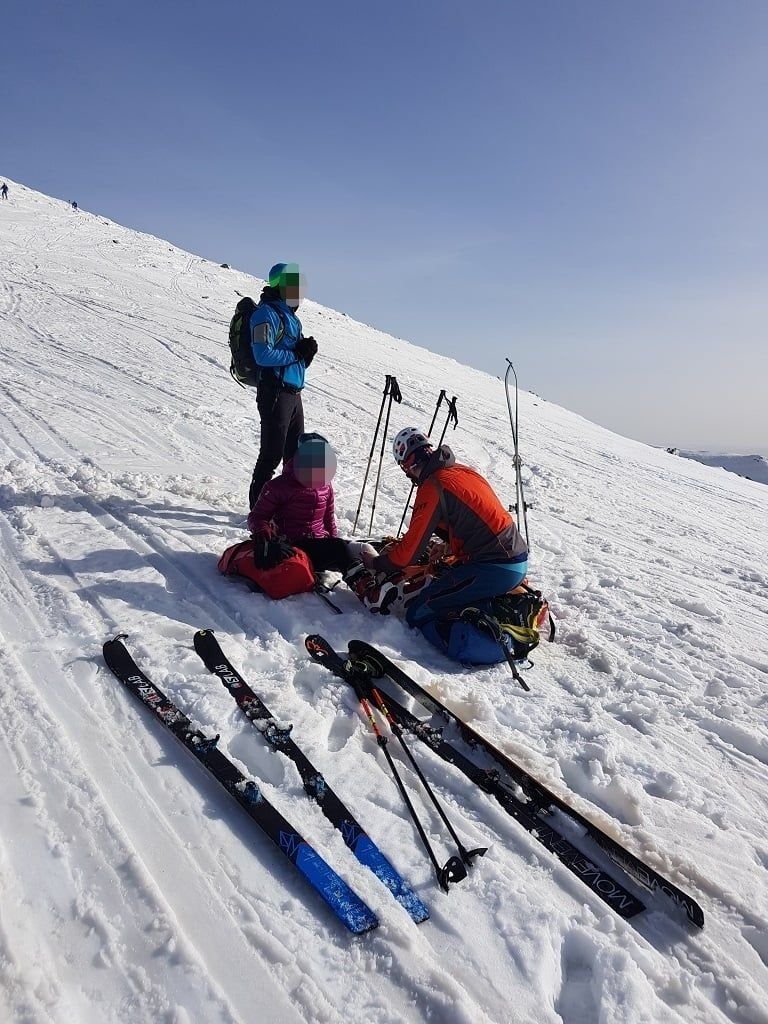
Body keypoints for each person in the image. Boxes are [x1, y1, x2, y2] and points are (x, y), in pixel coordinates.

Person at [349, 427, 528, 623]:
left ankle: (482, 623)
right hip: (513, 559)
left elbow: (408, 553)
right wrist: (448, 546)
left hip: (497, 567)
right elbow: (477, 519)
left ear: (406, 466)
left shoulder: (433, 486)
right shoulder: (461, 470)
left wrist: (375, 563)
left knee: (419, 612)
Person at [247, 432, 374, 575]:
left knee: (360, 550)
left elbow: (328, 519)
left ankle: (385, 582)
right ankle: (366, 589)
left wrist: (332, 542)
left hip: (319, 545)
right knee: (340, 548)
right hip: (292, 546)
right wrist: (263, 532)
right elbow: (257, 517)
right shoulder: (278, 486)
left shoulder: (325, 486)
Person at [247, 262, 318, 507]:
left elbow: (292, 358)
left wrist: (305, 356)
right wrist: (297, 354)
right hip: (275, 393)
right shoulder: (265, 314)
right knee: (271, 455)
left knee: (294, 458)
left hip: (292, 393)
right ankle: (258, 512)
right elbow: (262, 355)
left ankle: (288, 511)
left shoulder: (290, 317)